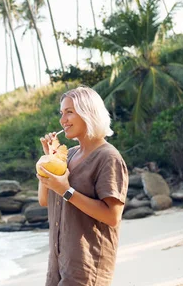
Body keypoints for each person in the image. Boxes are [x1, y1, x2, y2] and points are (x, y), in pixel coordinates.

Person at [37, 86, 129, 286]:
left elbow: (112, 216)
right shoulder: (67, 155)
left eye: (69, 112)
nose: (63, 120)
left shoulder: (108, 157)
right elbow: (44, 200)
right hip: (58, 267)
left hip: (87, 269)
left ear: (89, 112)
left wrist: (66, 191)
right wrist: (49, 160)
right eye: (62, 113)